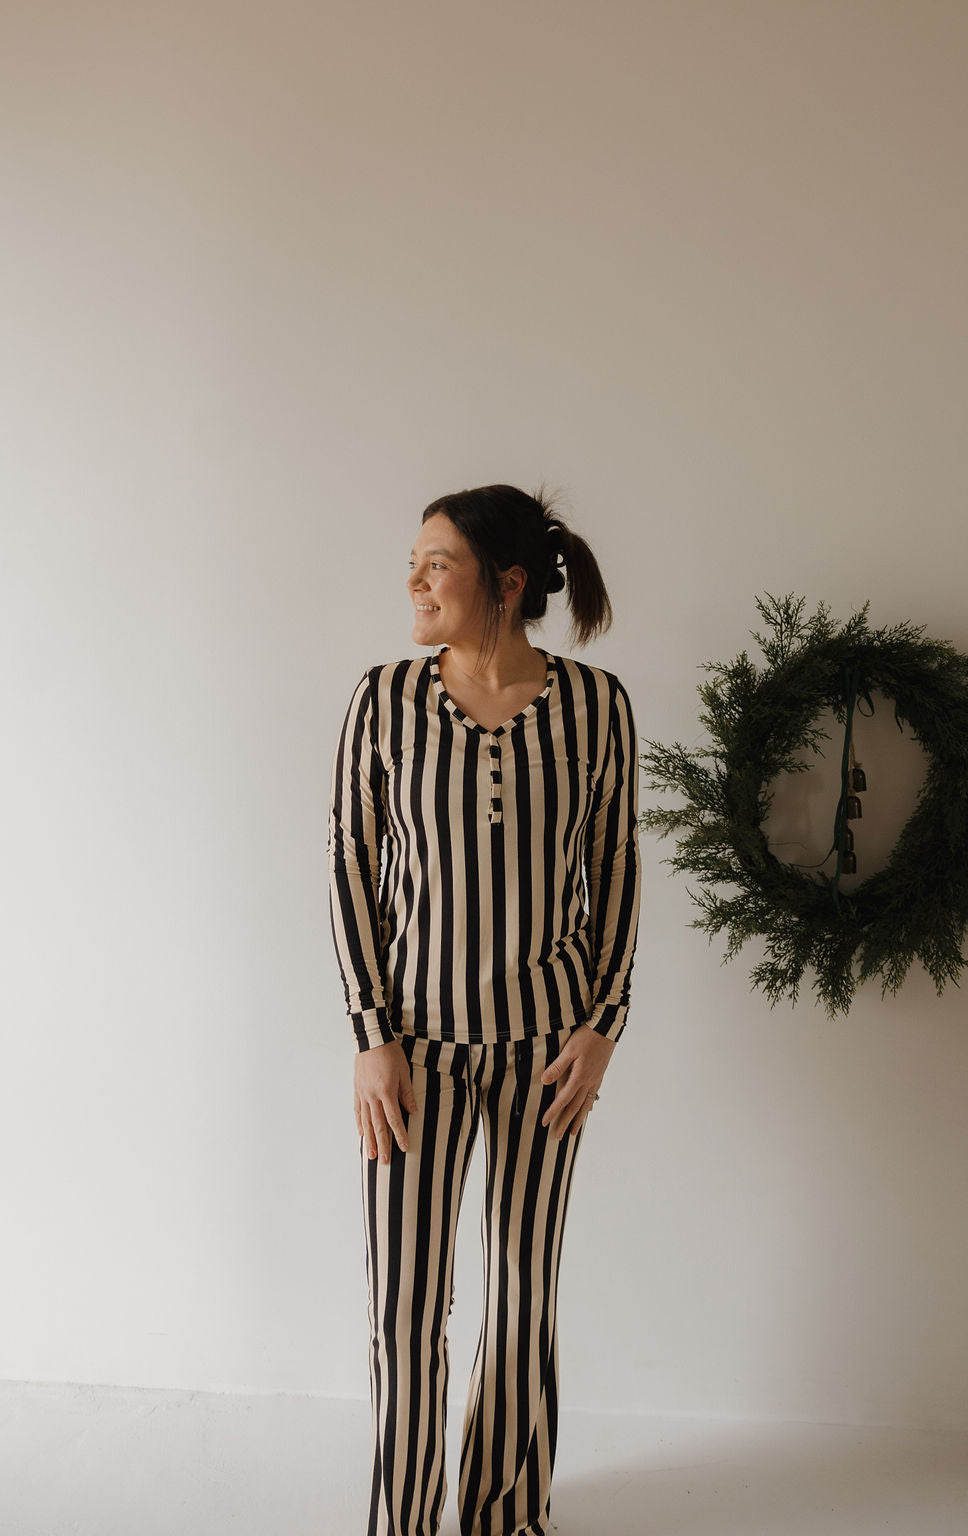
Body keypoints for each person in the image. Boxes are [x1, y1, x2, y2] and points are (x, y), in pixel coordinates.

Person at [328, 484, 641, 1536]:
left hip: (545, 1059)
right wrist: (372, 1038)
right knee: (403, 1314)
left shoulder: (598, 708)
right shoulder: (382, 699)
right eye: (413, 561)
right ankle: (403, 1523)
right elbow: (350, 869)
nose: (412, 581)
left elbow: (615, 870)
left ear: (504, 585)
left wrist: (603, 1025)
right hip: (411, 1052)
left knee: (518, 1303)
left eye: (435, 563)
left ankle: (505, 1520)